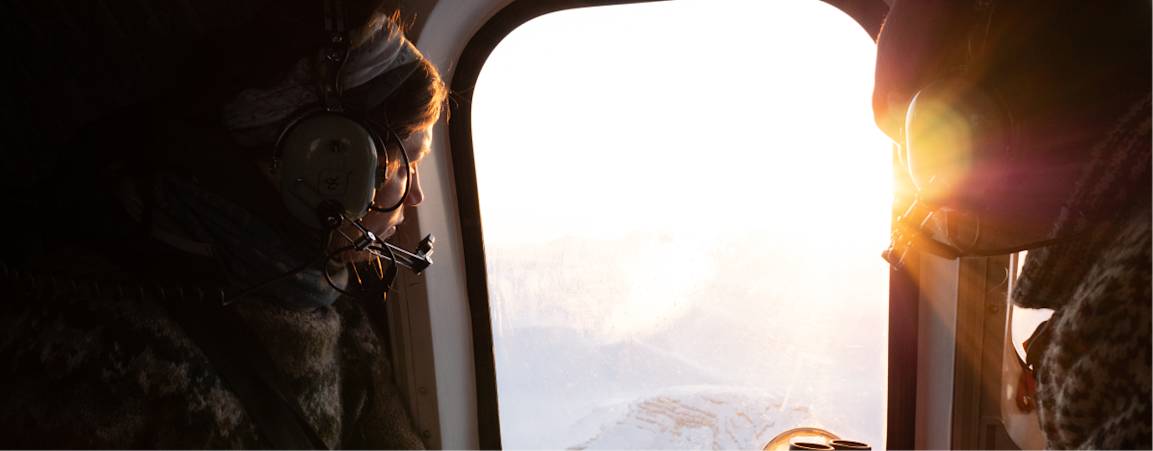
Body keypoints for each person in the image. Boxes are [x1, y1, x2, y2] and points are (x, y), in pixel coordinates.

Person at [0, 1, 446, 448]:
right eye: (408, 163)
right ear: (322, 162)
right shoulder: (91, 353)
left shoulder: (321, 301)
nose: (417, 196)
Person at [874, 0, 1150, 448]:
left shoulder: (1127, 312)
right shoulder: (1119, 250)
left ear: (977, 123)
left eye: (925, 140)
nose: (922, 185)